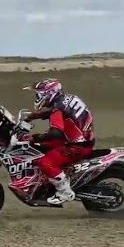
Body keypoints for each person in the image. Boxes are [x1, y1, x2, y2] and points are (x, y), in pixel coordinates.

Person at [22, 77, 95, 205]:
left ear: (49, 93)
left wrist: (35, 137)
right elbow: (57, 112)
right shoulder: (67, 99)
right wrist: (33, 116)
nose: (37, 97)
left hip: (78, 145)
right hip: (80, 139)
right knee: (41, 147)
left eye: (39, 95)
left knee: (45, 162)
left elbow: (56, 133)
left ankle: (65, 192)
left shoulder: (57, 109)